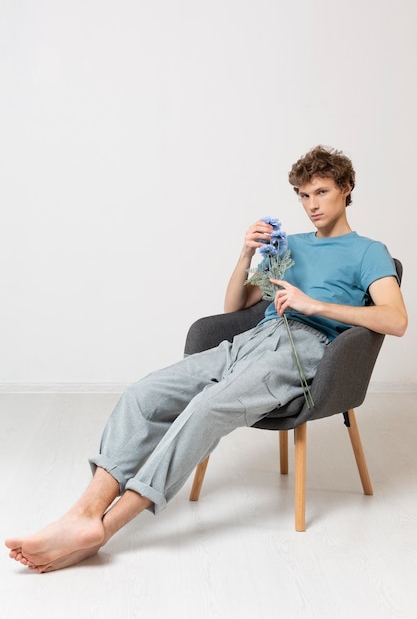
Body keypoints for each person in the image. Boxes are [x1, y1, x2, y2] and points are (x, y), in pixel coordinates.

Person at [5, 145, 407, 573]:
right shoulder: (291, 245)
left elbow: (396, 320)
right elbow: (236, 308)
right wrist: (244, 255)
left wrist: (315, 306)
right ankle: (82, 516)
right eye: (303, 196)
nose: (311, 205)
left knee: (206, 408)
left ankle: (104, 530)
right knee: (143, 394)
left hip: (305, 350)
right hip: (253, 338)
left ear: (346, 190)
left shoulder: (368, 251)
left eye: (321, 193)